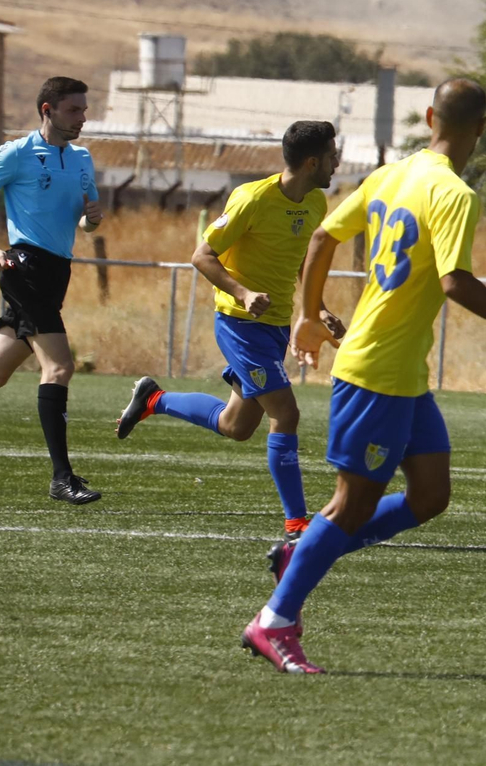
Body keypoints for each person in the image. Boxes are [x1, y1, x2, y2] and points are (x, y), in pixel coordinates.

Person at [241, 78, 486, 674]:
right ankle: (276, 620)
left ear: (429, 117)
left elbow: (323, 236)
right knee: (350, 504)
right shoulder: (453, 193)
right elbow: (456, 282)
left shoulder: (392, 173)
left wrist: (308, 312)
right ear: (482, 128)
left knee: (430, 494)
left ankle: (307, 551)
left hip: (401, 370)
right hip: (378, 368)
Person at [114, 120, 343, 548]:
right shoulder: (251, 198)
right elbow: (202, 256)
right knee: (286, 414)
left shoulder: (314, 202)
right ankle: (297, 524)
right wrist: (242, 291)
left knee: (236, 426)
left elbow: (297, 261)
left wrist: (318, 310)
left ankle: (154, 399)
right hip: (241, 326)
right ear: (312, 161)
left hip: (273, 326)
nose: (337, 162)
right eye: (332, 156)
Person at [0, 77, 104, 504]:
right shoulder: (17, 154)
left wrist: (92, 219)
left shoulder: (81, 159)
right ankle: (62, 478)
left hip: (57, 272)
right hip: (26, 268)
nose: (82, 117)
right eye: (74, 109)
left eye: (83, 109)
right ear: (47, 110)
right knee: (60, 367)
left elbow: (86, 224)